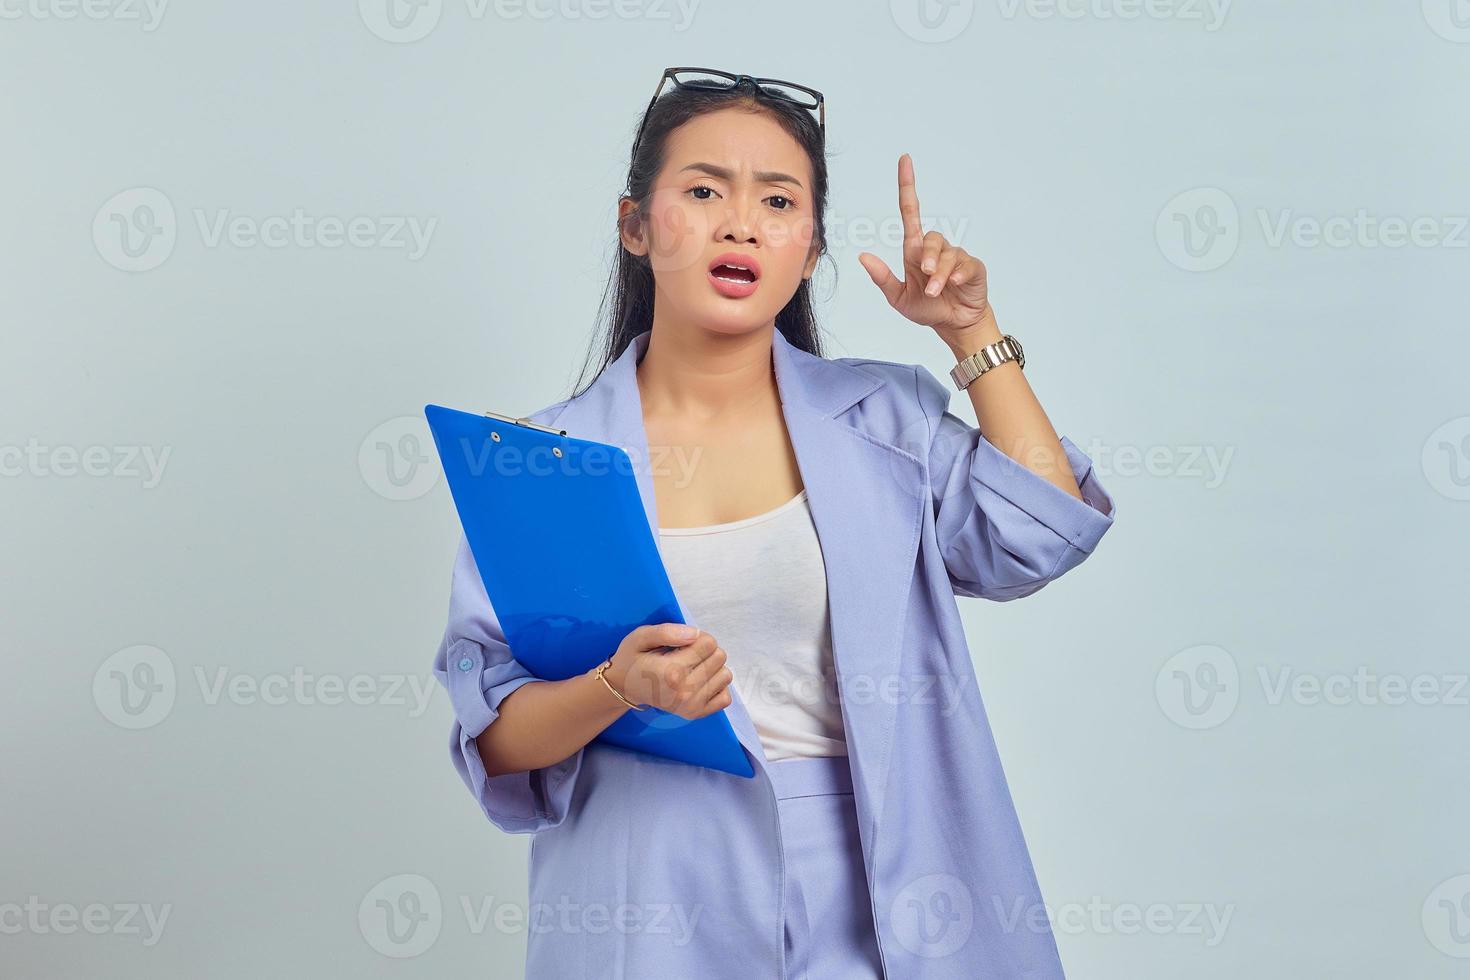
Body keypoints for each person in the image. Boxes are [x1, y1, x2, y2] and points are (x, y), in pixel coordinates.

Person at [432, 67, 1117, 979]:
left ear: (809, 247)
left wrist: (971, 333)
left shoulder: (883, 418)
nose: (741, 222)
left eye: (779, 200)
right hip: (654, 892)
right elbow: (496, 738)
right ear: (637, 226)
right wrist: (616, 686)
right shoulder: (536, 460)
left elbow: (1043, 528)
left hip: (886, 885)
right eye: (704, 189)